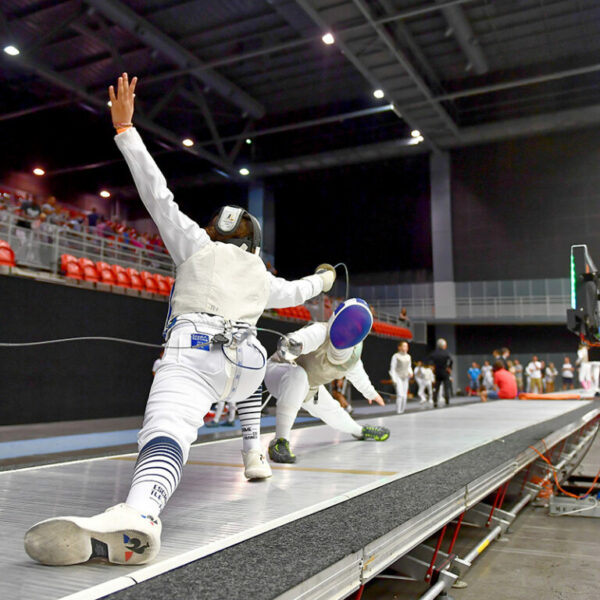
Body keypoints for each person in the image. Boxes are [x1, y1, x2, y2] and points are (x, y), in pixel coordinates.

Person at [24, 73, 336, 567]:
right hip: (245, 362)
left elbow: (157, 195)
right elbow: (299, 290)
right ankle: (253, 453)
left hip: (195, 353)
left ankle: (143, 511)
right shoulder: (261, 273)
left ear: (215, 232)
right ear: (252, 243)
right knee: (254, 374)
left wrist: (125, 129)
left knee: (167, 432)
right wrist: (324, 281)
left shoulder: (196, 244)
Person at [264, 298, 389, 464]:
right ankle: (280, 441)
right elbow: (302, 338)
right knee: (299, 375)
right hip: (278, 372)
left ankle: (360, 431)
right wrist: (293, 344)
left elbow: (360, 378)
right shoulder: (320, 333)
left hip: (311, 388)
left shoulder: (352, 358)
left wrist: (371, 393)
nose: (348, 331)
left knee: (333, 411)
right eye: (347, 325)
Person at [390, 341, 413, 414]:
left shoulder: (408, 356)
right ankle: (398, 411)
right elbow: (392, 368)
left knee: (405, 396)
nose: (405, 348)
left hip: (406, 377)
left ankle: (402, 411)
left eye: (406, 346)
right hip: (398, 377)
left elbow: (409, 367)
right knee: (400, 394)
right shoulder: (395, 356)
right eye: (404, 346)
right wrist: (394, 379)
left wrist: (411, 372)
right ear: (399, 347)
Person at [429, 338, 452, 407]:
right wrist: (449, 367)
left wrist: (433, 367)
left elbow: (430, 361)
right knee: (446, 386)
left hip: (437, 371)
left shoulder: (434, 353)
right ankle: (447, 399)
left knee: (436, 386)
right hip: (445, 371)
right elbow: (451, 360)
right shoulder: (446, 353)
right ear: (444, 346)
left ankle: (435, 400)